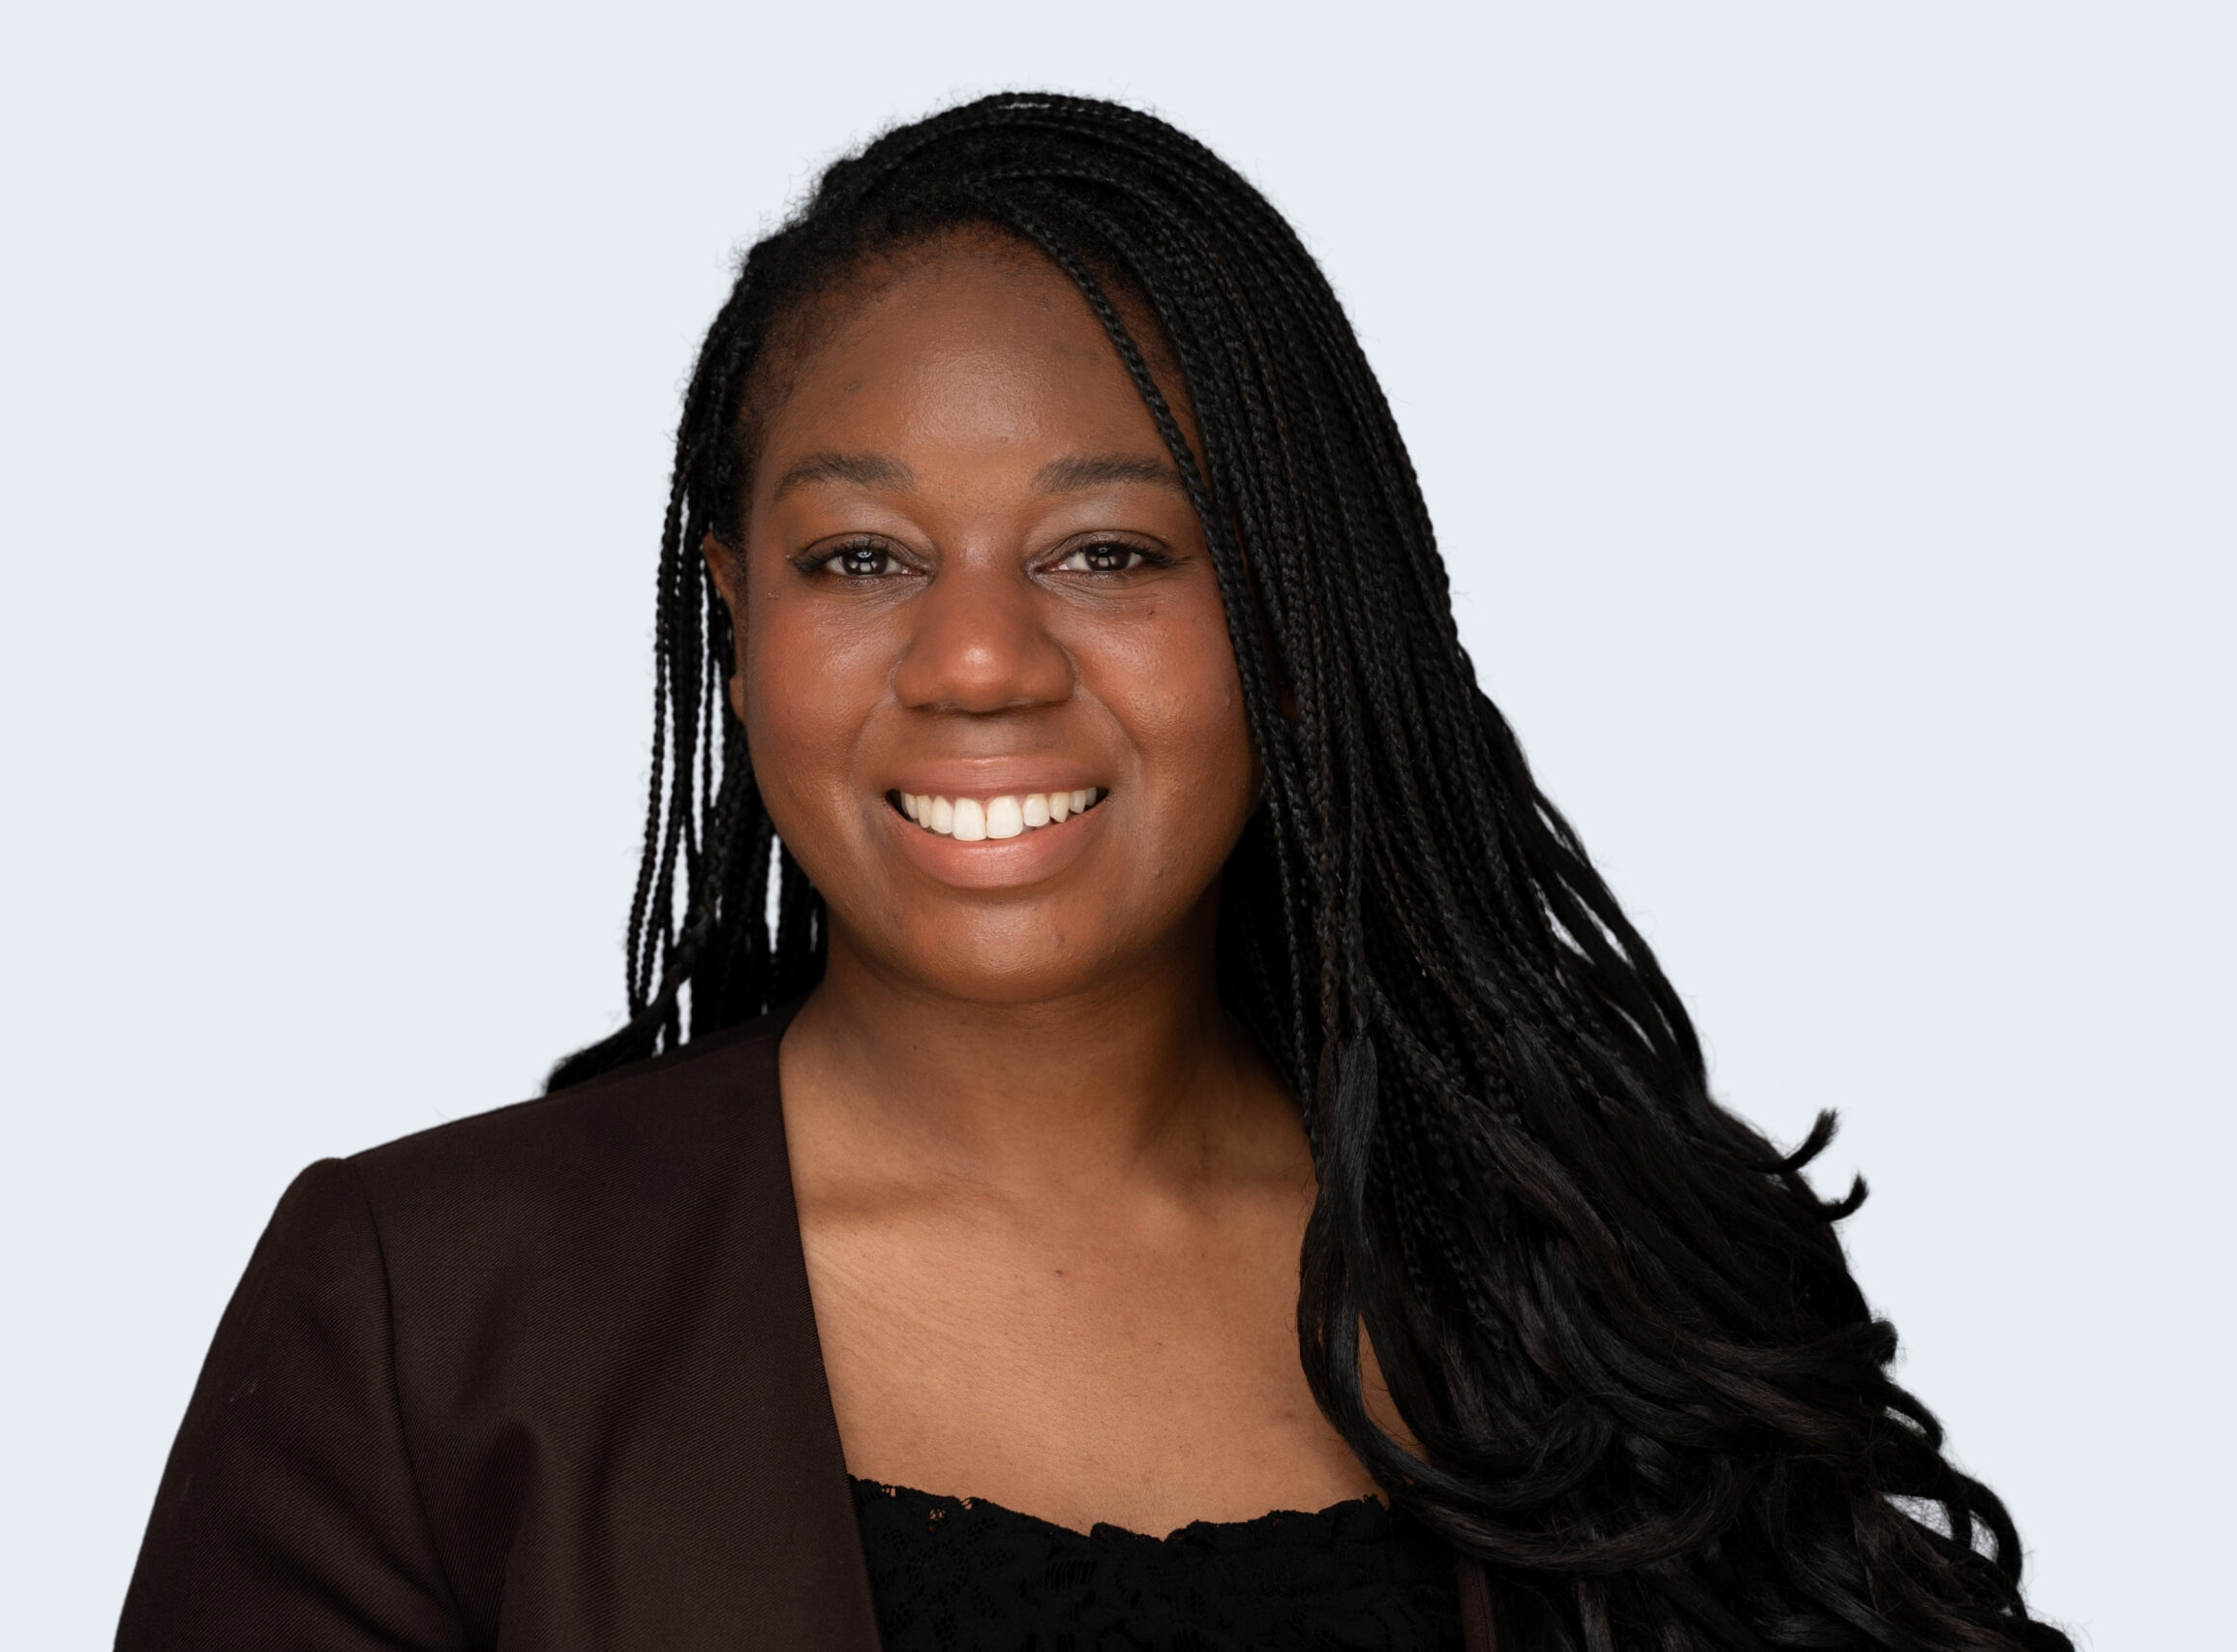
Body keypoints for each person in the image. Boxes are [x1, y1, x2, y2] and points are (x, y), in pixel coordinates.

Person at [116, 93, 2069, 1652]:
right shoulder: (427, 1311)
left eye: (1109, 552)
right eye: (860, 557)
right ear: (737, 616)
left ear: (1293, 617)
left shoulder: (1603, 1280)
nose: (978, 661)